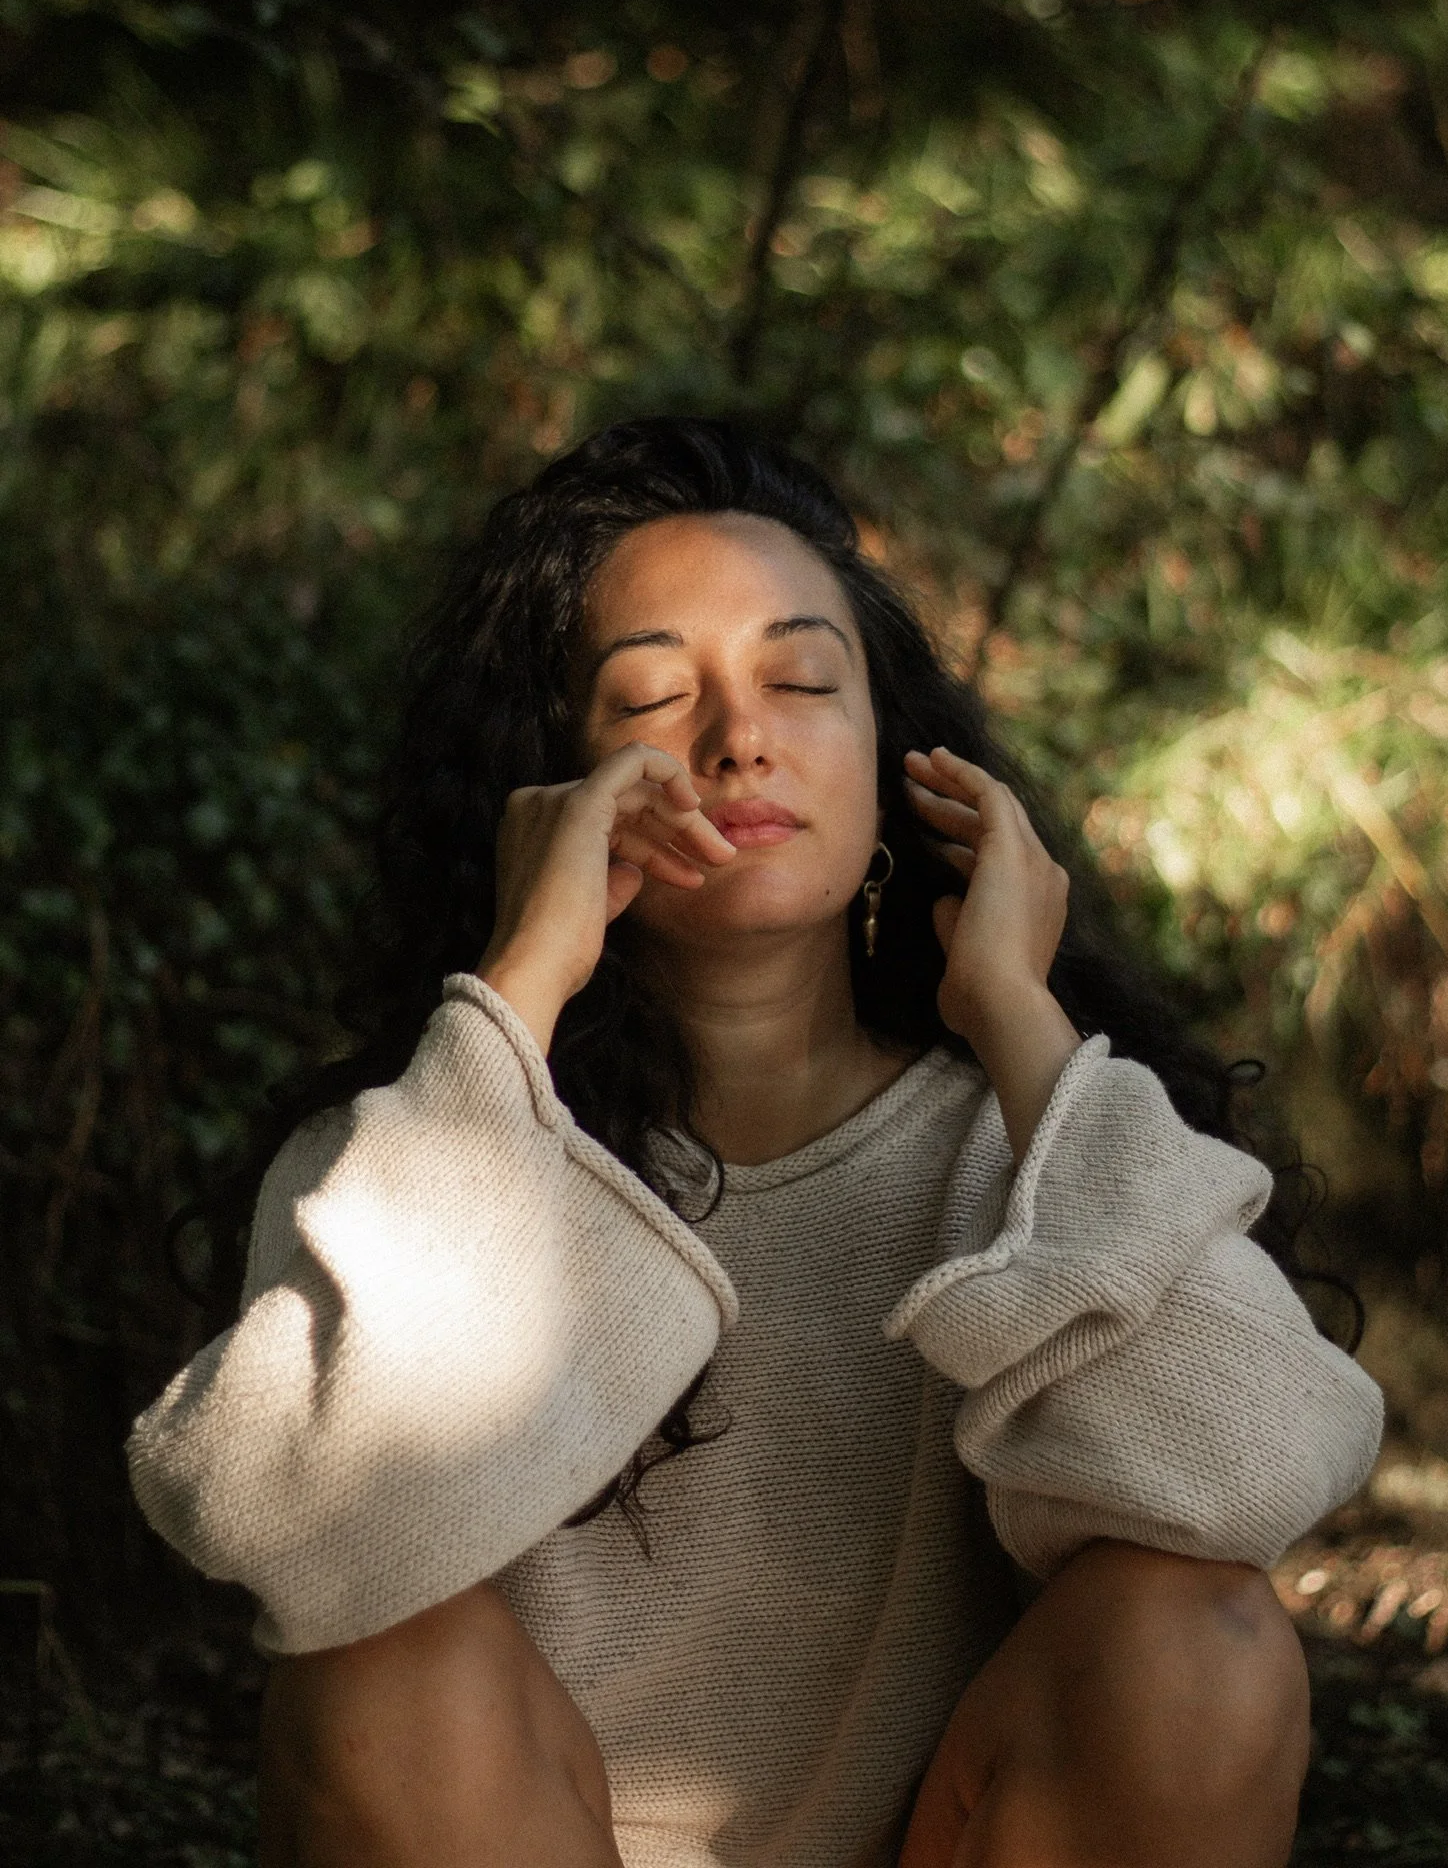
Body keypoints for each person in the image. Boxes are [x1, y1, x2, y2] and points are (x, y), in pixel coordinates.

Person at [129, 416, 1383, 1868]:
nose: (739, 738)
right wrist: (519, 987)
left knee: (1201, 1644)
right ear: (546, 790)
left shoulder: (1022, 1149)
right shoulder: (434, 1144)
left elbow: (1255, 1480)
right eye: (654, 699)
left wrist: (1023, 1024)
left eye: (801, 679)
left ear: (902, 764)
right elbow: (286, 1525)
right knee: (379, 1670)